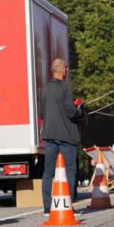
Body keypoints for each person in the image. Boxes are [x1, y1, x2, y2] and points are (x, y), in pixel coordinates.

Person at [39, 58, 84, 214]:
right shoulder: (65, 88)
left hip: (49, 135)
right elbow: (70, 112)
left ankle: (46, 206)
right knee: (70, 170)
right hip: (66, 136)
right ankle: (68, 204)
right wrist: (79, 109)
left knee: (48, 171)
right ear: (64, 70)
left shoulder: (44, 88)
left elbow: (41, 113)